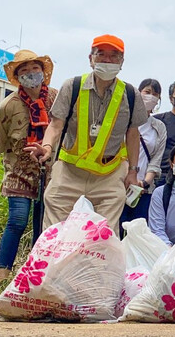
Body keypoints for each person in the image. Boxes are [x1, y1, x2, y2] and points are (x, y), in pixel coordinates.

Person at [26, 34, 146, 232]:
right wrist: (47, 146)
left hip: (109, 173)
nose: (107, 60)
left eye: (114, 56)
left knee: (103, 235)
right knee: (54, 229)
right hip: (70, 170)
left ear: (122, 62)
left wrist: (133, 172)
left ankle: (96, 264)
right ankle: (54, 263)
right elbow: (56, 124)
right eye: (101, 54)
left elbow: (133, 134)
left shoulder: (131, 95)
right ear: (90, 59)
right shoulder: (72, 86)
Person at [0, 49, 57, 281]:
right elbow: (3, 144)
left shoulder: (56, 99)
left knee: (45, 225)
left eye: (35, 68)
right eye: (25, 70)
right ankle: (3, 275)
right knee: (18, 219)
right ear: (18, 76)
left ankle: (35, 274)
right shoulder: (8, 106)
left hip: (50, 171)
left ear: (43, 72)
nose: (31, 73)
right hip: (18, 170)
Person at [119, 78, 167, 229]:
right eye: (147, 92)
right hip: (118, 183)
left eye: (155, 93)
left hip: (143, 190)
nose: (151, 96)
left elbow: (156, 160)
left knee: (139, 232)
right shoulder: (122, 119)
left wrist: (144, 182)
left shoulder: (158, 127)